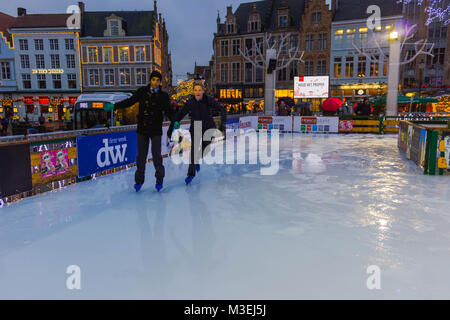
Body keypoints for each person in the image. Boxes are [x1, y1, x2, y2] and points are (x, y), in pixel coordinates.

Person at [109, 70, 177, 192]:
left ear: (160, 82)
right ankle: (139, 181)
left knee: (157, 156)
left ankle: (159, 179)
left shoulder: (163, 96)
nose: (155, 82)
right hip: (142, 129)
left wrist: (175, 120)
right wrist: (115, 106)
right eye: (153, 80)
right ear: (150, 80)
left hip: (155, 130)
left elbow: (169, 111)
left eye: (157, 80)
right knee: (141, 157)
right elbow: (130, 102)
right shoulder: (142, 92)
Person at [171, 81, 226, 185]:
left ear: (203, 91)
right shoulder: (190, 102)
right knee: (194, 151)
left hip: (208, 128)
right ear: (193, 91)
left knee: (205, 149)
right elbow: (182, 113)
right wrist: (176, 121)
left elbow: (222, 109)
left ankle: (196, 161)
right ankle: (190, 174)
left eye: (199, 90)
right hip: (196, 127)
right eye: (195, 90)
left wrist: (222, 124)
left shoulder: (208, 99)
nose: (198, 92)